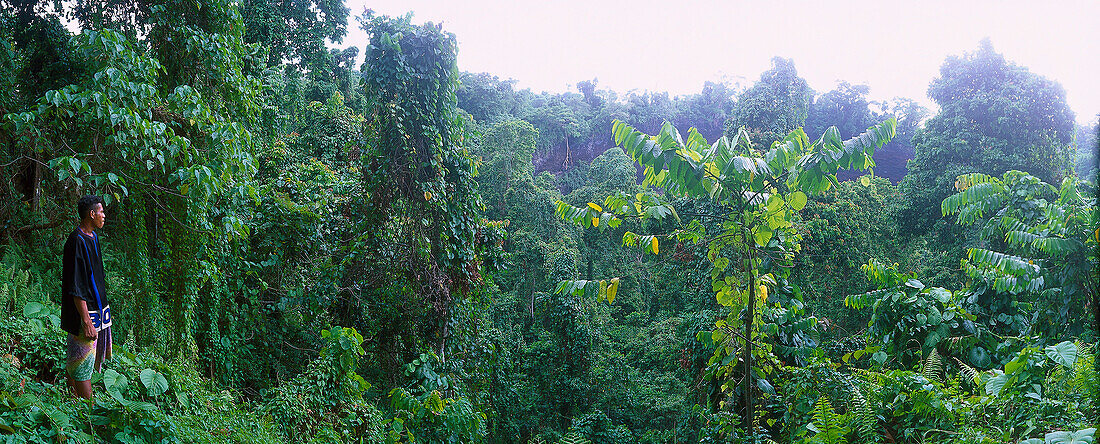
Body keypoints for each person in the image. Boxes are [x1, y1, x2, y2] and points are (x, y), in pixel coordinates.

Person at [61, 195, 113, 398]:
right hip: (84, 316)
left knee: (79, 361)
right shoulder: (76, 241)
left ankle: (72, 402)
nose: (104, 215)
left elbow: (95, 278)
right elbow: (77, 286)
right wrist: (86, 320)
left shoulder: (92, 237)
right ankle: (86, 416)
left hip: (96, 311)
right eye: (101, 212)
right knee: (81, 364)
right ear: (91, 214)